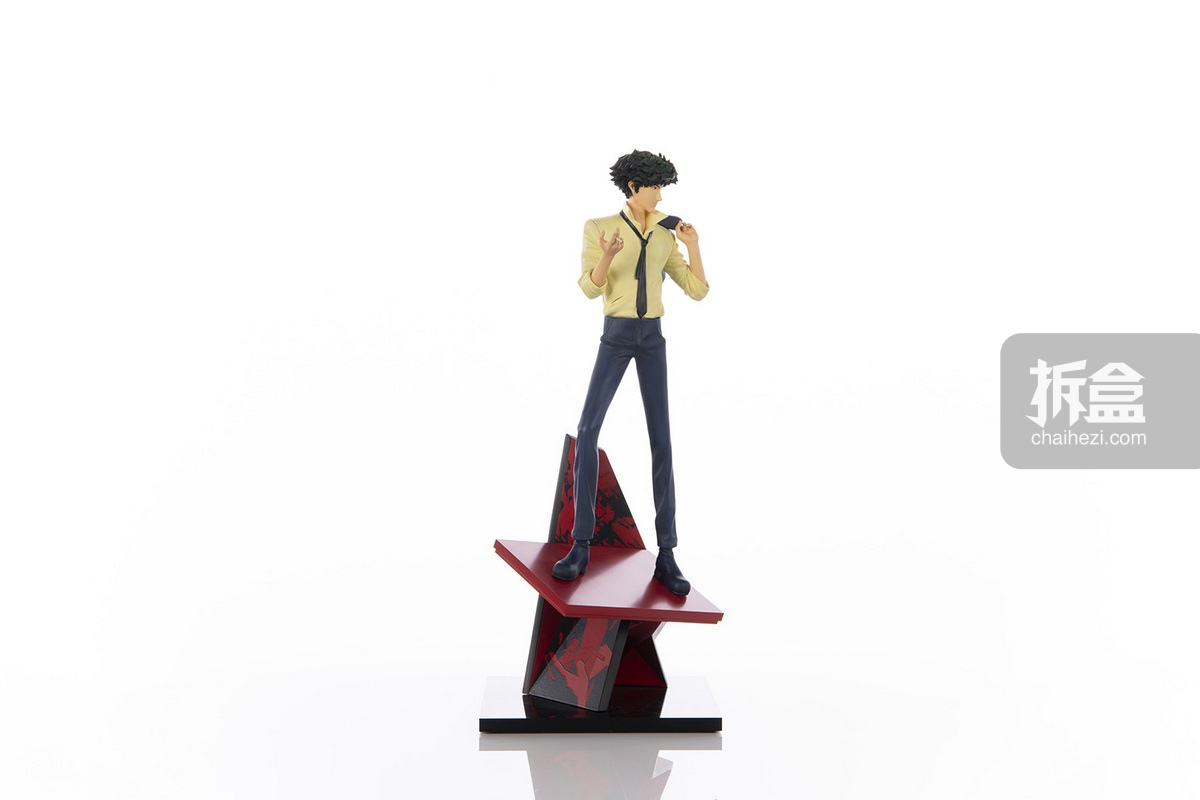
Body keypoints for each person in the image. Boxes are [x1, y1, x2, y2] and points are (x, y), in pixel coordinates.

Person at [551, 150, 710, 596]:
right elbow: (589, 288)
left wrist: (693, 246)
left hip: (652, 339)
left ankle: (667, 554)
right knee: (588, 430)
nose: (660, 195)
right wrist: (607, 256)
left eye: (662, 186)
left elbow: (697, 289)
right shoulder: (600, 227)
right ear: (634, 187)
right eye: (655, 186)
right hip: (616, 336)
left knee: (661, 438)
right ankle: (580, 545)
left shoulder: (664, 233)